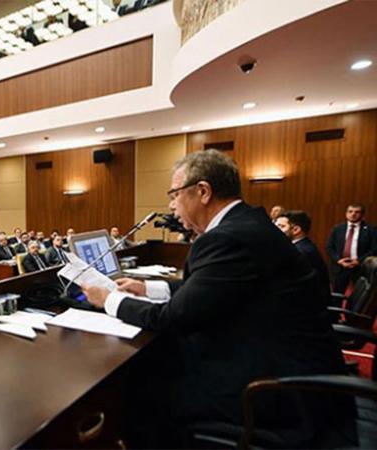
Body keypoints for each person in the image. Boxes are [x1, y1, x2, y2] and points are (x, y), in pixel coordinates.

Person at [82, 150, 346, 447]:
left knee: (140, 387)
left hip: (276, 390)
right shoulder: (248, 224)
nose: (171, 205)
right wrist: (148, 289)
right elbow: (214, 290)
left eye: (174, 194)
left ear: (203, 191)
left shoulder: (228, 237)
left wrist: (108, 300)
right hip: (290, 364)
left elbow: (172, 318)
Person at [275, 211, 331, 298]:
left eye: (281, 226)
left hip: (310, 304)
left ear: (296, 230)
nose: (275, 230)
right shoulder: (304, 245)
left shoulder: (301, 251)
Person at [326, 204, 377, 294]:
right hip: (340, 266)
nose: (353, 214)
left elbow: (374, 249)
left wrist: (358, 261)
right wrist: (339, 260)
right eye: (350, 211)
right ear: (346, 214)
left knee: (359, 296)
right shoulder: (337, 228)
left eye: (357, 212)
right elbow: (329, 247)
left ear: (362, 215)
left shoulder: (371, 230)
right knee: (337, 294)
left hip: (360, 266)